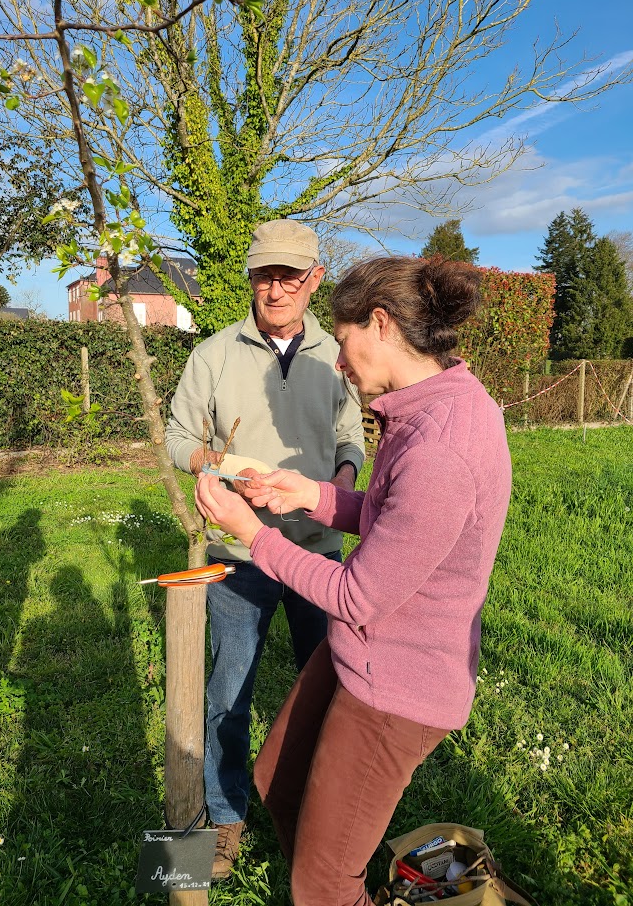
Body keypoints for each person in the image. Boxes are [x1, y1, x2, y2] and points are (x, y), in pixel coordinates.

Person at [194, 255, 513, 906]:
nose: (338, 362)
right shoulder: (433, 405)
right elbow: (394, 519)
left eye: (342, 343)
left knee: (321, 881)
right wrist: (308, 494)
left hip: (399, 685)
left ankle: (352, 888)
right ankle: (341, 876)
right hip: (362, 653)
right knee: (277, 780)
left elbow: (357, 594)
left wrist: (254, 534)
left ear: (381, 323)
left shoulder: (440, 446)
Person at [164, 219, 365, 878]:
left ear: (313, 279)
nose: (275, 289)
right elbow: (176, 436)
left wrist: (338, 483)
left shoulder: (338, 356)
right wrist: (215, 460)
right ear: (250, 277)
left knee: (329, 686)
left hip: (316, 553)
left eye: (290, 275)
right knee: (229, 689)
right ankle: (225, 820)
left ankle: (316, 808)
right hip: (239, 555)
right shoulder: (213, 356)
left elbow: (349, 436)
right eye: (264, 274)